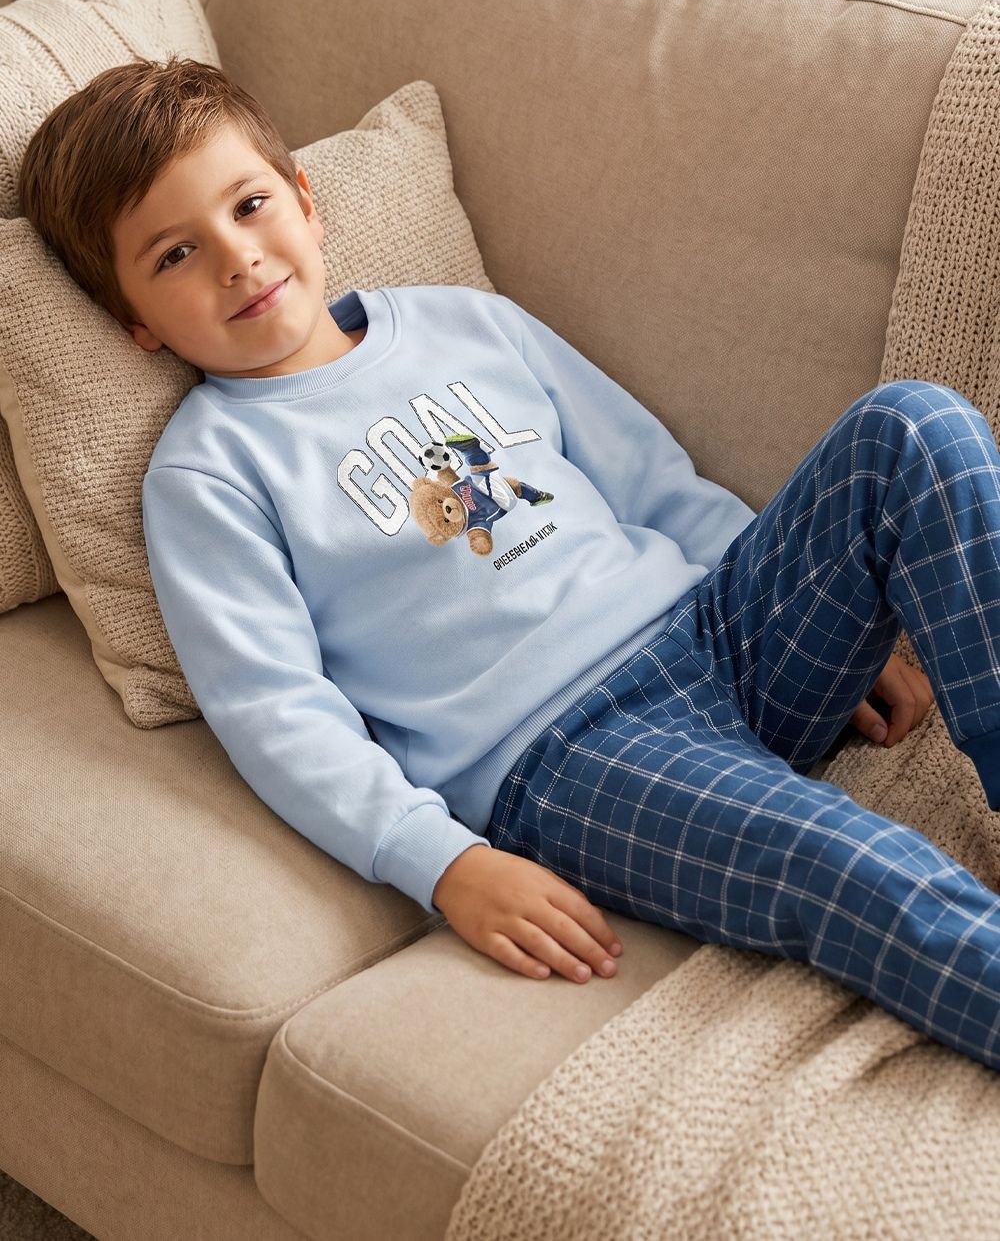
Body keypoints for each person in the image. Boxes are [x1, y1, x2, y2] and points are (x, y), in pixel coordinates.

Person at [19, 56, 1000, 1075]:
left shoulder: (464, 321)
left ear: (306, 204)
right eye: (176, 254)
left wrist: (832, 621)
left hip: (716, 627)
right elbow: (276, 712)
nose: (236, 257)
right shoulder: (208, 474)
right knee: (849, 860)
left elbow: (653, 479)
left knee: (912, 425)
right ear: (136, 323)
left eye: (250, 205)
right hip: (572, 755)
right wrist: (444, 862)